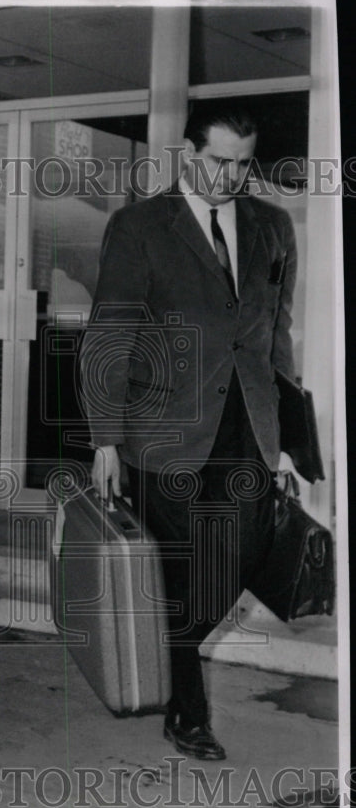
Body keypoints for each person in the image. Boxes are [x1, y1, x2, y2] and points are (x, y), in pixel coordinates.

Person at [80, 102, 296, 760]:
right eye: (217, 160)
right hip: (162, 430)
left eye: (242, 162)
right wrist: (104, 439)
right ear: (185, 152)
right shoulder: (140, 226)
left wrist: (286, 438)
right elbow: (109, 335)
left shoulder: (271, 226)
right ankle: (187, 713)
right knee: (179, 571)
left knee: (240, 556)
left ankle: (159, 652)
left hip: (246, 428)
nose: (230, 175)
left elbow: (273, 334)